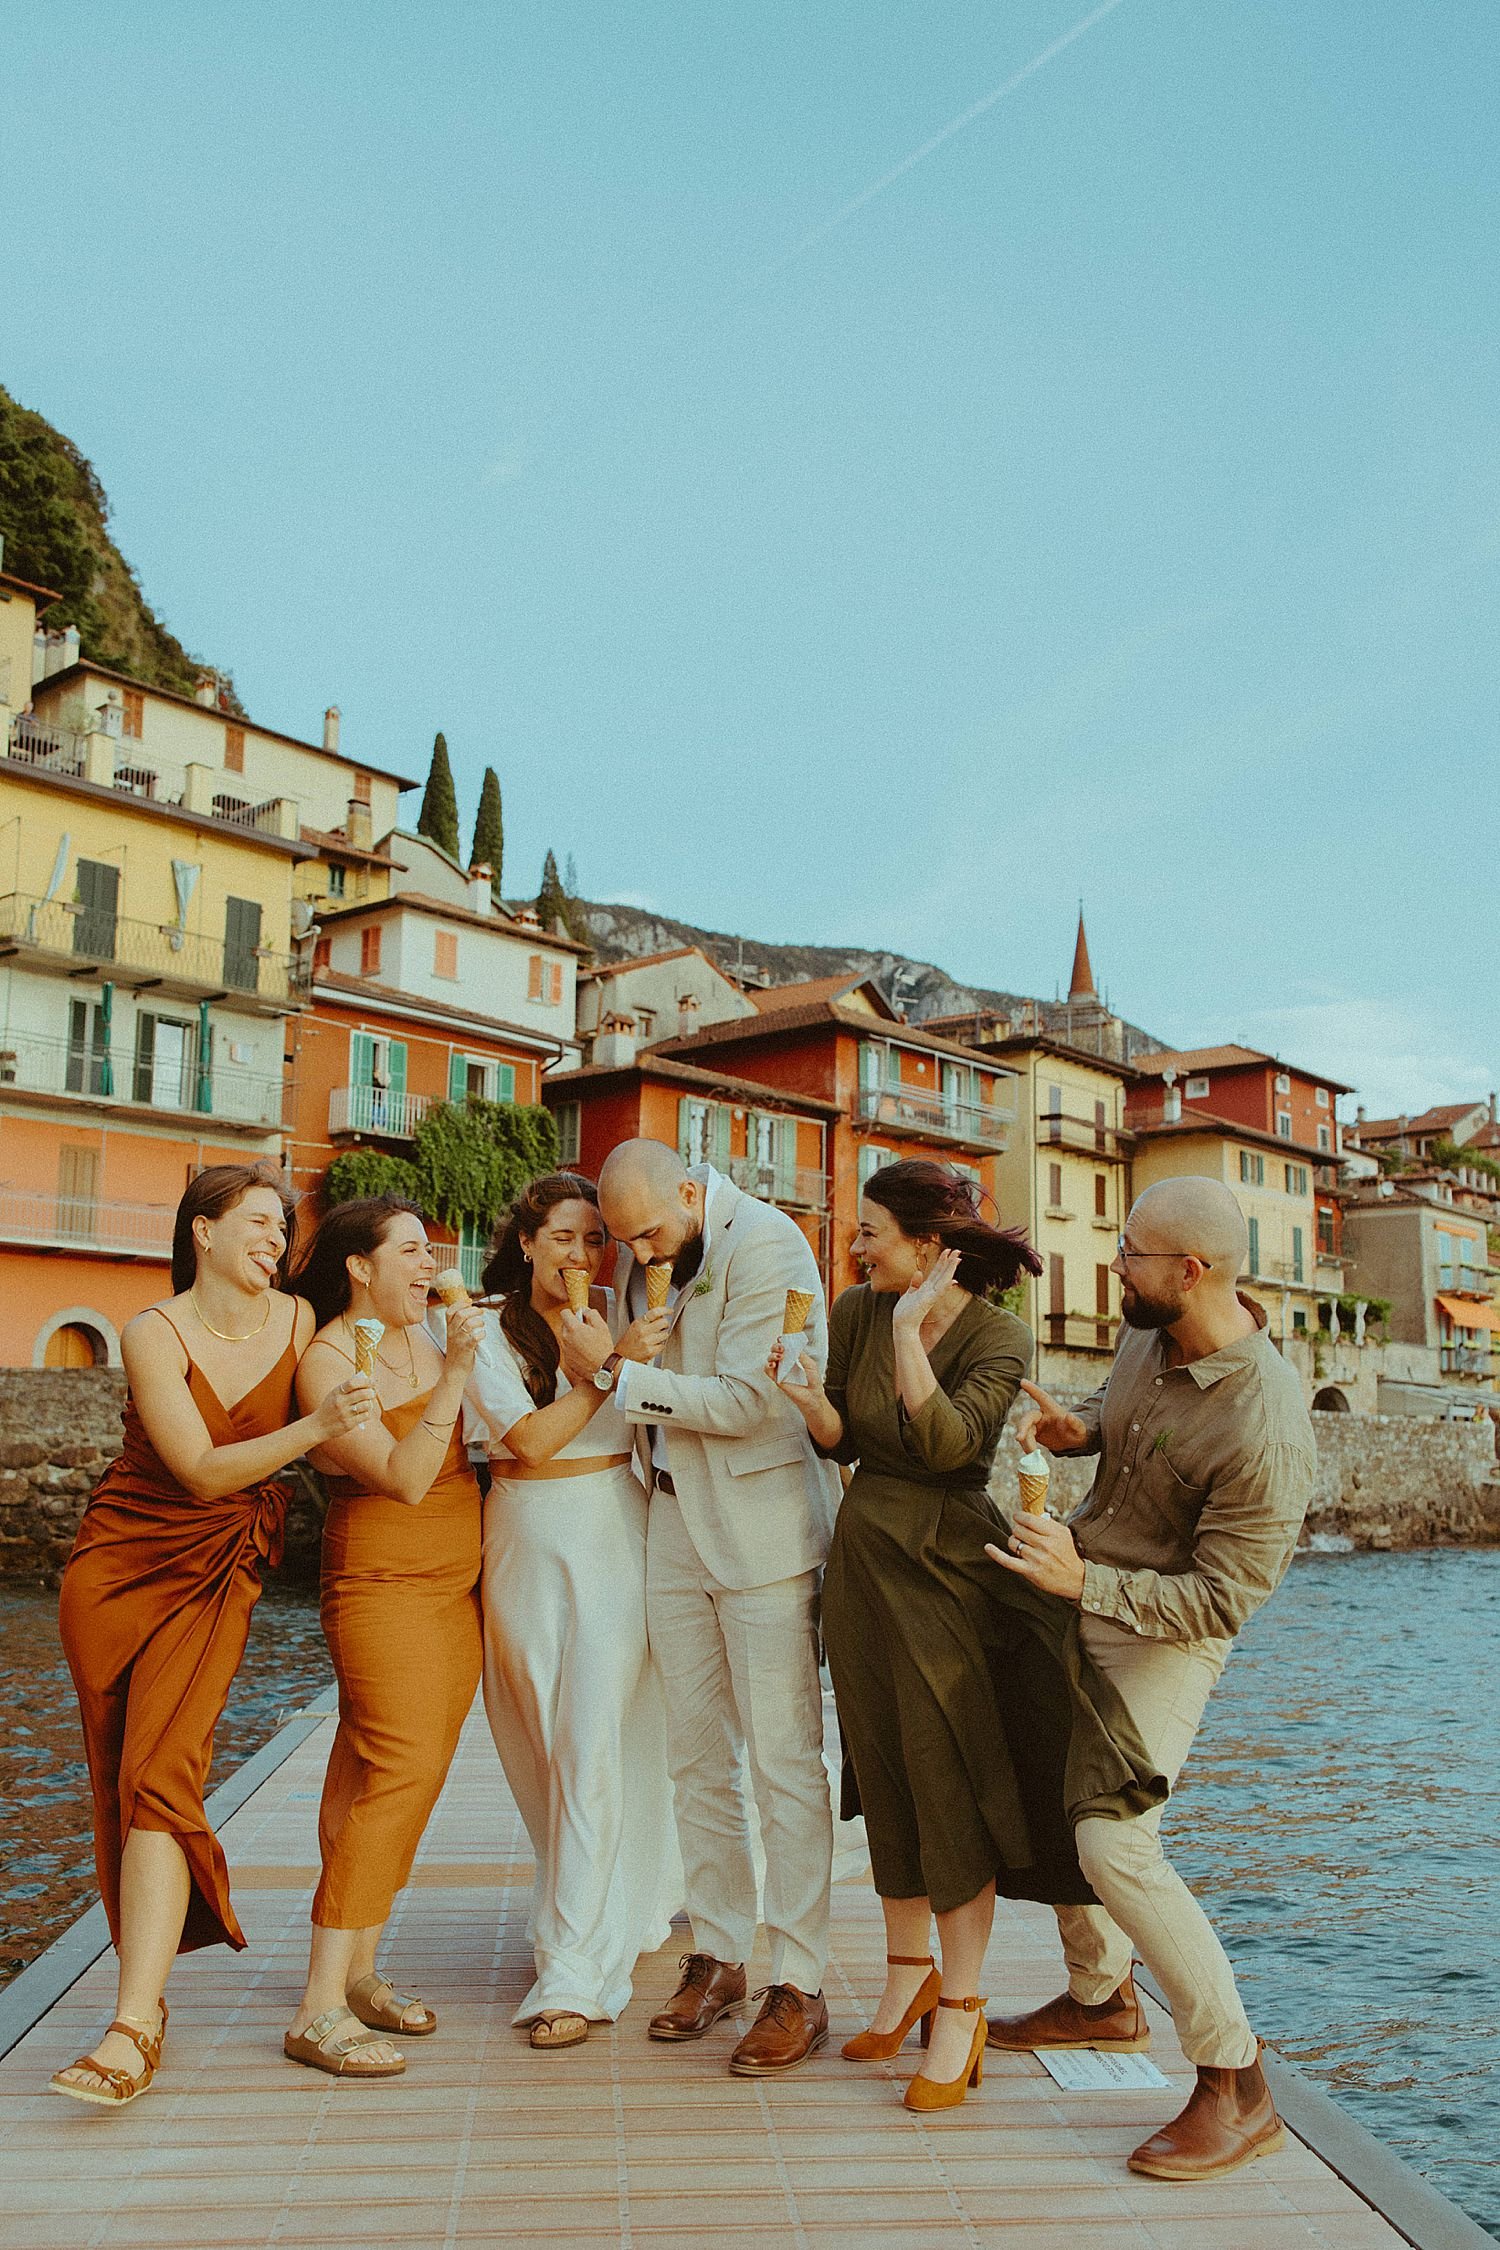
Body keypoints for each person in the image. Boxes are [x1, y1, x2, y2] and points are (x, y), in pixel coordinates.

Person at [986, 1175, 1316, 2181]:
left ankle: (1238, 2081)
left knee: (1115, 1842)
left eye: (1129, 1252)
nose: (1113, 1265)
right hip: (1076, 1588)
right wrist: (1079, 1429)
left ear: (1192, 1270)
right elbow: (1124, 1412)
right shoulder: (1146, 1330)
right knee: (1049, 1793)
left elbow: (1223, 1601)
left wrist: (1089, 1582)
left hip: (1166, 1632)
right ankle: (1101, 1999)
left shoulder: (1266, 1427)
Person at [52, 1165, 376, 2107]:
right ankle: (140, 2005)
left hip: (217, 1573)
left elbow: (376, 1335)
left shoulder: (299, 1325)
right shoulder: (152, 1333)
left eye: (285, 1228)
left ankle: (132, 2023)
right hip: (116, 1569)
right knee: (121, 1775)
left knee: (162, 1770)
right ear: (203, 1229)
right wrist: (312, 1425)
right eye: (261, 1222)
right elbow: (196, 1468)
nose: (279, 1240)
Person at [776, 1161, 1051, 2111]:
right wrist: (810, 1401)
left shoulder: (999, 1336)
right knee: (881, 1764)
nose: (854, 1248)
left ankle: (964, 2003)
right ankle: (907, 1973)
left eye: (871, 1232)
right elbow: (848, 1441)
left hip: (947, 1560)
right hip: (863, 1556)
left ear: (929, 1248)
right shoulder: (854, 1310)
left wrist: (905, 1332)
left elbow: (944, 1448)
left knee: (948, 1774)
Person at [569, 1137, 839, 2076]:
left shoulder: (769, 1248)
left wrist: (617, 1375)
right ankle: (721, 1953)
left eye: (648, 1232)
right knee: (694, 1757)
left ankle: (799, 1982)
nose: (639, 1254)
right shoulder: (661, 1252)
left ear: (691, 1189)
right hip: (673, 1524)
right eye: (624, 1240)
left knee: (784, 1764)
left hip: (762, 1535)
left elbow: (751, 1403)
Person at [464, 1172, 678, 2049]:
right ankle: (587, 1905)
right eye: (563, 1236)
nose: (583, 1255)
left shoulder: (632, 1321)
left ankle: (573, 1971)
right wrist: (611, 1370)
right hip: (521, 1543)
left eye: (596, 1240)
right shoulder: (481, 1330)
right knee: (538, 1747)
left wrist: (632, 1362)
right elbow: (523, 1440)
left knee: (591, 1742)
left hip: (613, 1542)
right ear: (525, 1242)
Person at [283, 1197, 487, 2080]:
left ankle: (360, 1971)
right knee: (398, 1767)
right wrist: (456, 1379)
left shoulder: (430, 1339)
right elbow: (404, 1477)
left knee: (398, 1771)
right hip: (381, 1581)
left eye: (430, 1248)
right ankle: (317, 2006)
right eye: (410, 1249)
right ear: (361, 1266)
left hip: (455, 1585)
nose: (429, 1262)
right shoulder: (330, 1356)